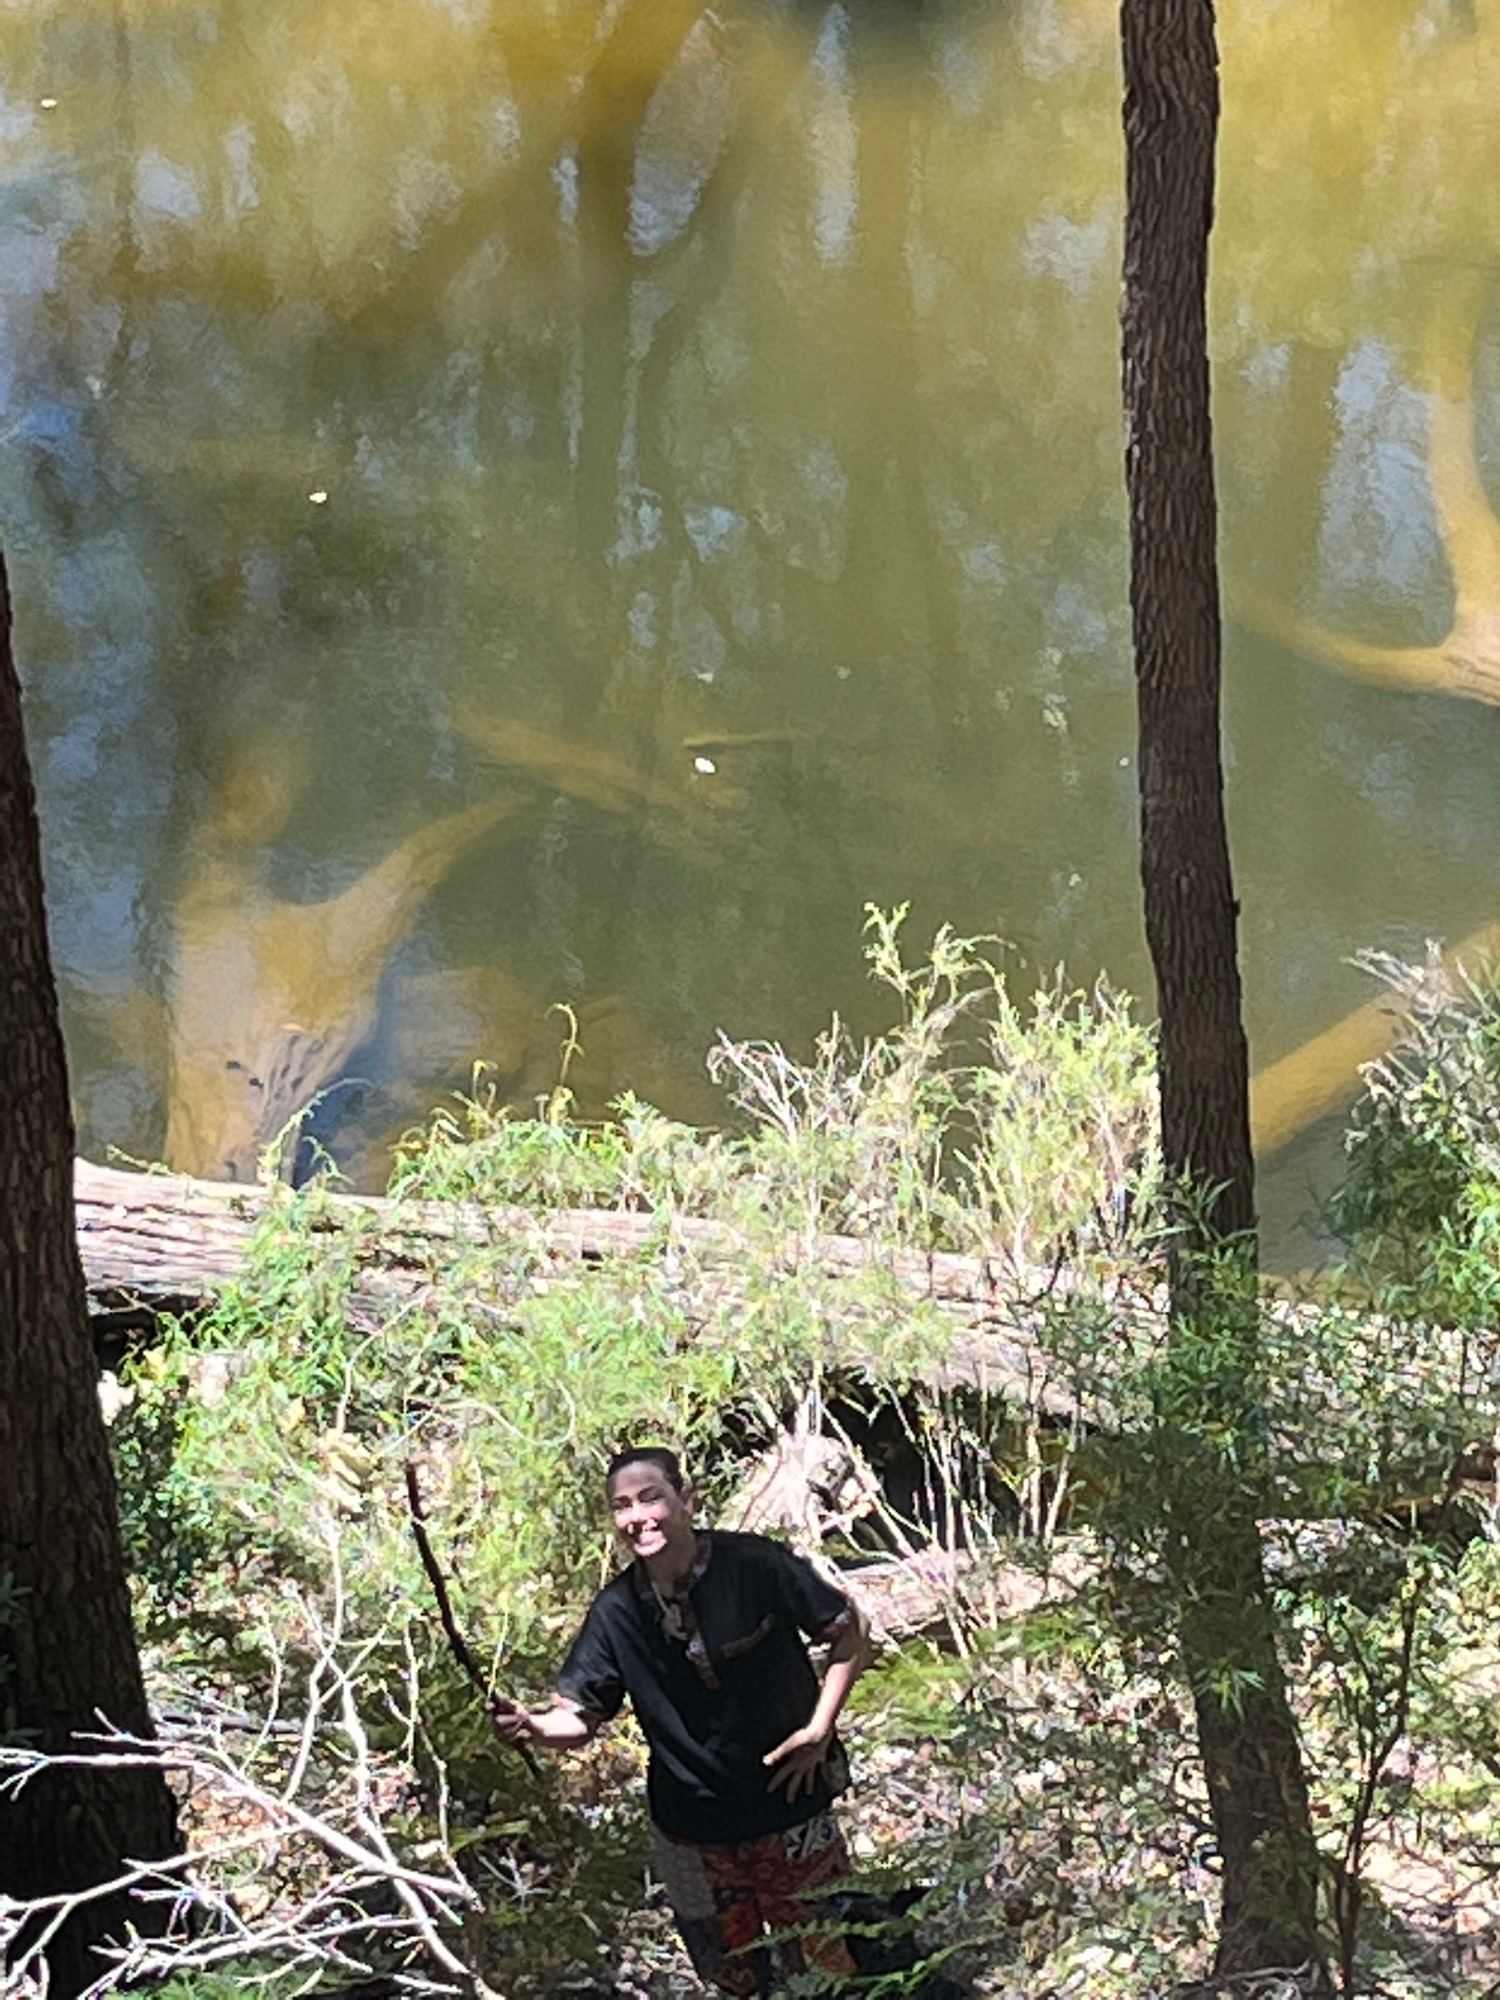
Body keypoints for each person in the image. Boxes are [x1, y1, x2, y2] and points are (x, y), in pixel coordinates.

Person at [494, 1444, 870, 1996]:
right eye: (622, 1506)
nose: (638, 1516)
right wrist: (530, 1726)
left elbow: (848, 1631)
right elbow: (579, 1718)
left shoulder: (754, 1566)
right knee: (733, 1978)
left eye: (651, 1498)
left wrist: (819, 1730)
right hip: (692, 1830)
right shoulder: (617, 1611)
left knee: (831, 1967)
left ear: (686, 1500)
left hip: (791, 1807)